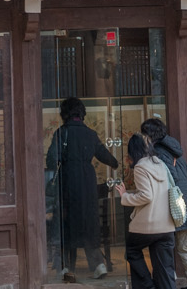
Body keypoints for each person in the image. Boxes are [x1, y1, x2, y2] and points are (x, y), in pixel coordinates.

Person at [47, 97, 119, 282]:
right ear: (81, 113)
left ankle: (67, 269)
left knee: (67, 224)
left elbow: (50, 160)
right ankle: (98, 265)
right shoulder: (90, 134)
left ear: (64, 113)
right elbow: (107, 157)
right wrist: (115, 163)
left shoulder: (61, 133)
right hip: (87, 182)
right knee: (89, 223)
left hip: (68, 182)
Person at [141, 118, 187, 289]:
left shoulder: (158, 152)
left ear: (149, 135)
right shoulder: (175, 150)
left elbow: (169, 178)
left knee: (164, 247)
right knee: (186, 248)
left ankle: (168, 283)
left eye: (143, 133)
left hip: (173, 205)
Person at [113, 134, 177, 289]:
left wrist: (125, 196)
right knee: (164, 267)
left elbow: (147, 196)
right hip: (167, 225)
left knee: (131, 250)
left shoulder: (141, 166)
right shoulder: (160, 163)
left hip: (149, 225)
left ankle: (148, 286)